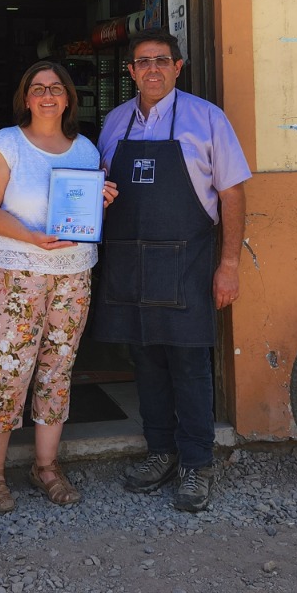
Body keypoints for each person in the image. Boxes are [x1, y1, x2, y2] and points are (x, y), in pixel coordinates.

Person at [92, 29, 251, 513]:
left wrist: (229, 265)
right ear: (131, 71)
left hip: (188, 262)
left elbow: (232, 195)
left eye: (162, 60)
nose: (153, 69)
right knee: (145, 360)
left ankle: (197, 463)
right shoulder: (115, 121)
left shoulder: (207, 118)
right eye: (143, 62)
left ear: (178, 67)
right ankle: (159, 452)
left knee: (188, 363)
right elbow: (96, 189)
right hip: (129, 262)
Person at [0, 61, 117, 514]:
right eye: (38, 88)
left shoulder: (86, 150)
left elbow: (85, 219)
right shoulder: (6, 143)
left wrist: (102, 203)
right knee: (11, 368)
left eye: (56, 88)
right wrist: (30, 236)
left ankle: (45, 467)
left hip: (73, 272)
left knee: (58, 367)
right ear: (26, 98)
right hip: (18, 271)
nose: (48, 95)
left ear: (69, 98)